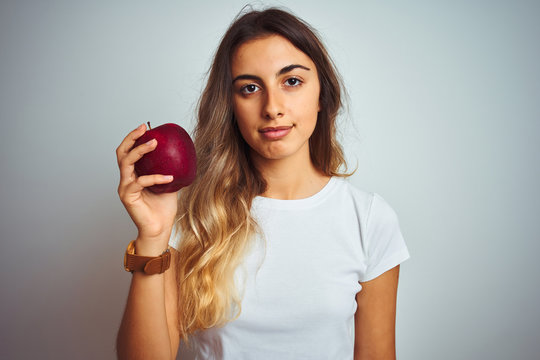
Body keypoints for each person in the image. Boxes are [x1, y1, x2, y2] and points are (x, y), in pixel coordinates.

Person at [115, 7, 409, 360]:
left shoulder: (369, 219)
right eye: (250, 88)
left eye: (292, 81)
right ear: (230, 105)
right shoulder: (191, 217)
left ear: (322, 96)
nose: (272, 107)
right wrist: (152, 237)